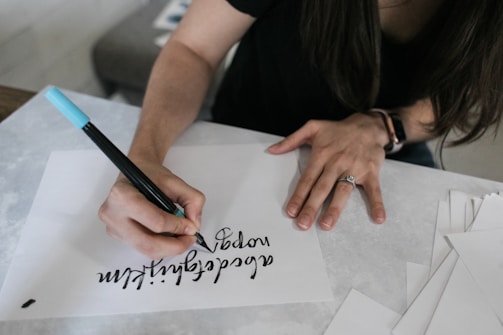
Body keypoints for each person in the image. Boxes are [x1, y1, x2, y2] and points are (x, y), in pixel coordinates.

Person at [99, 0, 503, 259]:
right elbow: (193, 49)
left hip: (389, 146)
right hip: (250, 132)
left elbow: (456, 97)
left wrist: (383, 126)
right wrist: (144, 157)